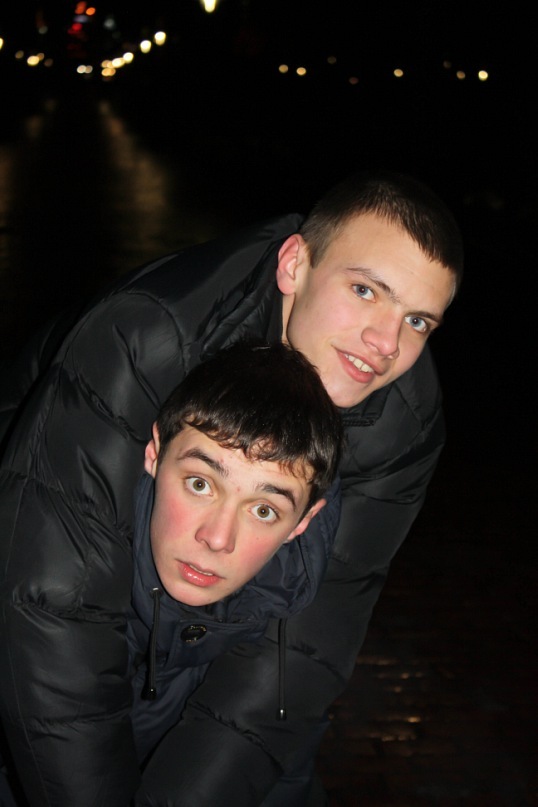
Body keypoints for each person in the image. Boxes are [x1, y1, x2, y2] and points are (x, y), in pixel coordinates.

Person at [0, 170, 463, 806]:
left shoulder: (402, 423)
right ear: (294, 265)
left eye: (418, 321)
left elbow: (303, 646)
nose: (385, 344)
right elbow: (54, 604)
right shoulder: (152, 335)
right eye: (364, 290)